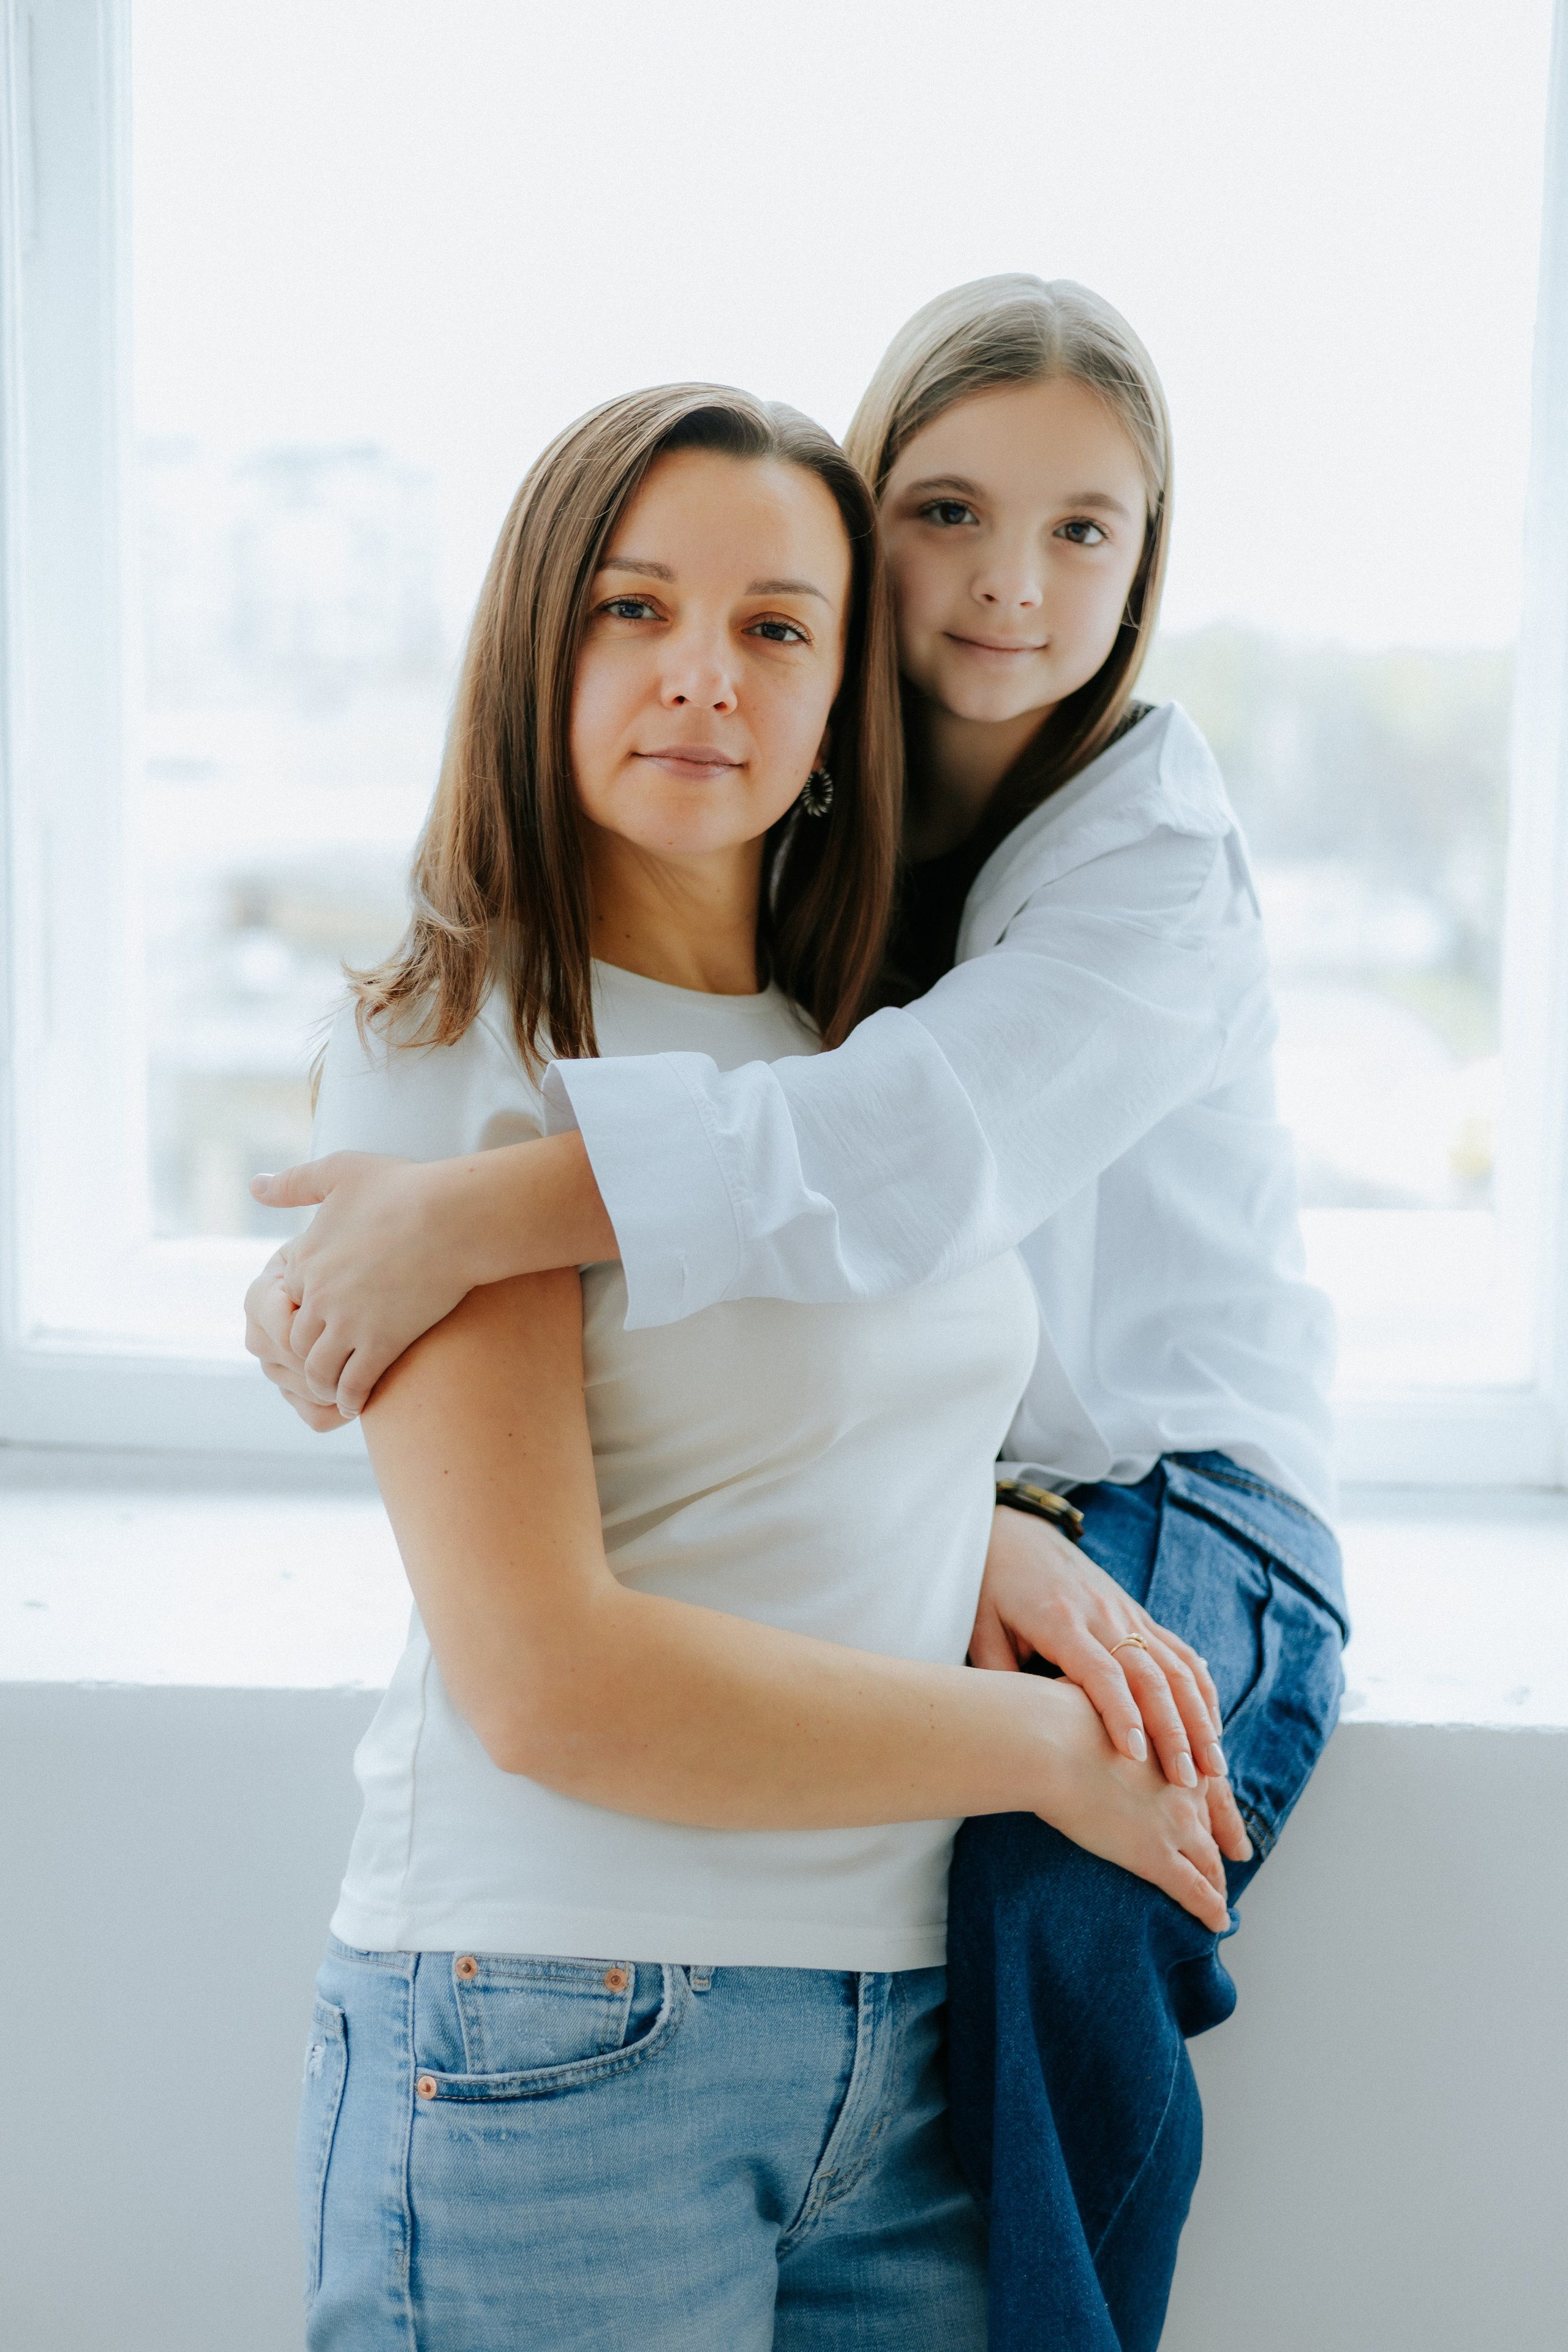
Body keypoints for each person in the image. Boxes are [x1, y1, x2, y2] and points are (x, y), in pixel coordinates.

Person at [285, 379, 1234, 2352]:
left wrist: (989, 1536)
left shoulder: (855, 1068)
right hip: (558, 2023)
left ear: (838, 710)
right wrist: (1051, 1753)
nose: (701, 675)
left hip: (894, 2048)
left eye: (775, 627)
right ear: (533, 651)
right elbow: (553, 1686)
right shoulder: (464, 1040)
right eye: (632, 610)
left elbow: (814, 1431)